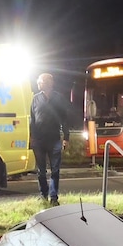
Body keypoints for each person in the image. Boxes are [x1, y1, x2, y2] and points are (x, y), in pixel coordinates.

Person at [28, 72, 69, 206]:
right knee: (41, 171)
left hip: (54, 139)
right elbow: (32, 120)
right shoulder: (35, 99)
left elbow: (64, 119)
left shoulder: (59, 98)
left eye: (40, 82)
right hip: (39, 141)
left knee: (55, 170)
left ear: (49, 83)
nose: (38, 84)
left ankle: (53, 197)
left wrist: (66, 137)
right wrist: (31, 138)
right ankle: (43, 194)